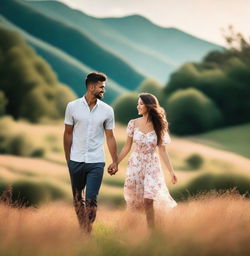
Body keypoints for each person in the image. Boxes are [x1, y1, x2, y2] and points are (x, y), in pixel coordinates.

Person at [63, 72, 118, 233]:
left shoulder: (108, 111)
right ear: (91, 86)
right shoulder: (72, 107)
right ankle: (84, 230)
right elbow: (67, 134)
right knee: (77, 198)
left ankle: (88, 228)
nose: (103, 90)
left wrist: (115, 160)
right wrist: (69, 160)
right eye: (101, 87)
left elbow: (110, 137)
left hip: (96, 161)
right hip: (76, 160)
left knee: (91, 200)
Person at [115, 93, 177, 228]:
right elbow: (127, 146)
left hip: (152, 165)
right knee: (135, 202)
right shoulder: (133, 123)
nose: (138, 106)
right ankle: (131, 229)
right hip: (136, 164)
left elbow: (162, 151)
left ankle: (152, 232)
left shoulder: (159, 125)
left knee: (148, 199)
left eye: (141, 103)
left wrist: (171, 172)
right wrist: (116, 162)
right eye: (138, 103)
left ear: (149, 106)